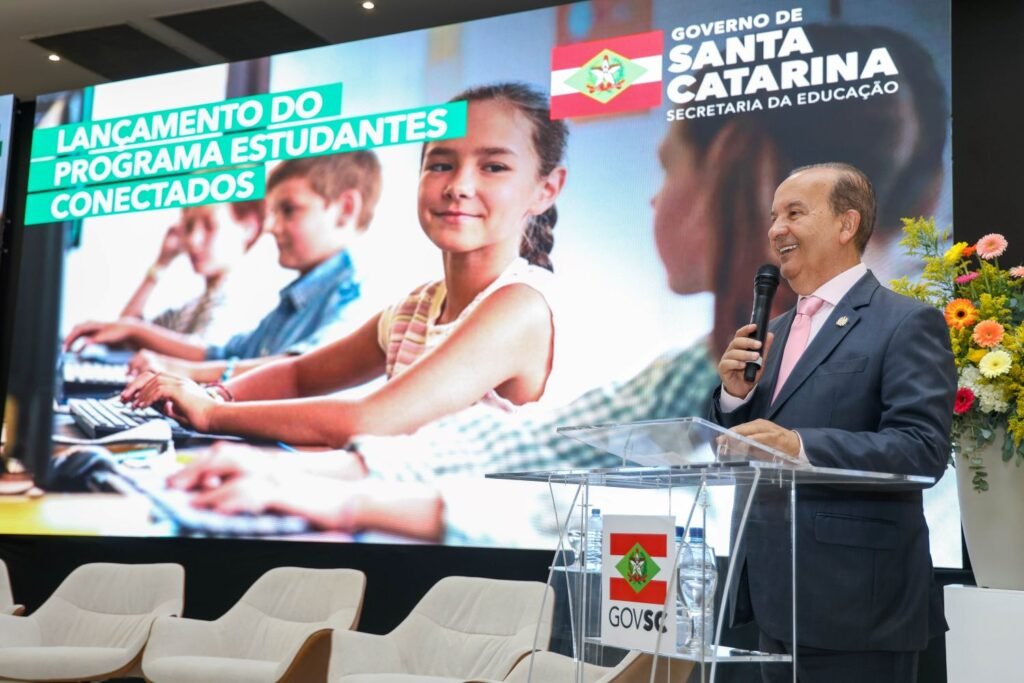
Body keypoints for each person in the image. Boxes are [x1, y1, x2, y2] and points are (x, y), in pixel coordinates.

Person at [156, 25, 951, 536]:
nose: (653, 196)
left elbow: (919, 457)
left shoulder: (905, 325)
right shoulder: (700, 365)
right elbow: (538, 448)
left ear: (734, 167)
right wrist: (322, 479)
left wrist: (240, 425)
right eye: (440, 162)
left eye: (667, 167)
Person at [121, 81, 568, 448]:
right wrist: (217, 393)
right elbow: (299, 375)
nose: (458, 186)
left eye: (493, 167)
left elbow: (371, 419)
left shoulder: (520, 306)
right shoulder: (414, 309)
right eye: (440, 165)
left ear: (546, 189)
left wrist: (212, 412)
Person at [710, 162, 956, 682]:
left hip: (857, 607)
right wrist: (733, 400)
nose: (776, 229)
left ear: (847, 224)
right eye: (773, 216)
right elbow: (756, 438)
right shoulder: (772, 330)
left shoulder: (906, 322)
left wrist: (799, 445)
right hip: (774, 598)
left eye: (794, 213)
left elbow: (921, 449)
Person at [117, 151, 383, 383]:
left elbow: (304, 370)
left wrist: (184, 372)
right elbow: (224, 355)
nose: (271, 227)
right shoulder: (294, 301)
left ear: (345, 209)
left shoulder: (354, 296)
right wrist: (135, 331)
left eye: (288, 210)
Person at [64, 201, 267, 352]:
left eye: (209, 226)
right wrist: (161, 263)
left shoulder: (244, 303)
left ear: (248, 228)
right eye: (189, 227)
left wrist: (133, 329)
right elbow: (125, 336)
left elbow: (209, 355)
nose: (193, 240)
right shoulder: (194, 307)